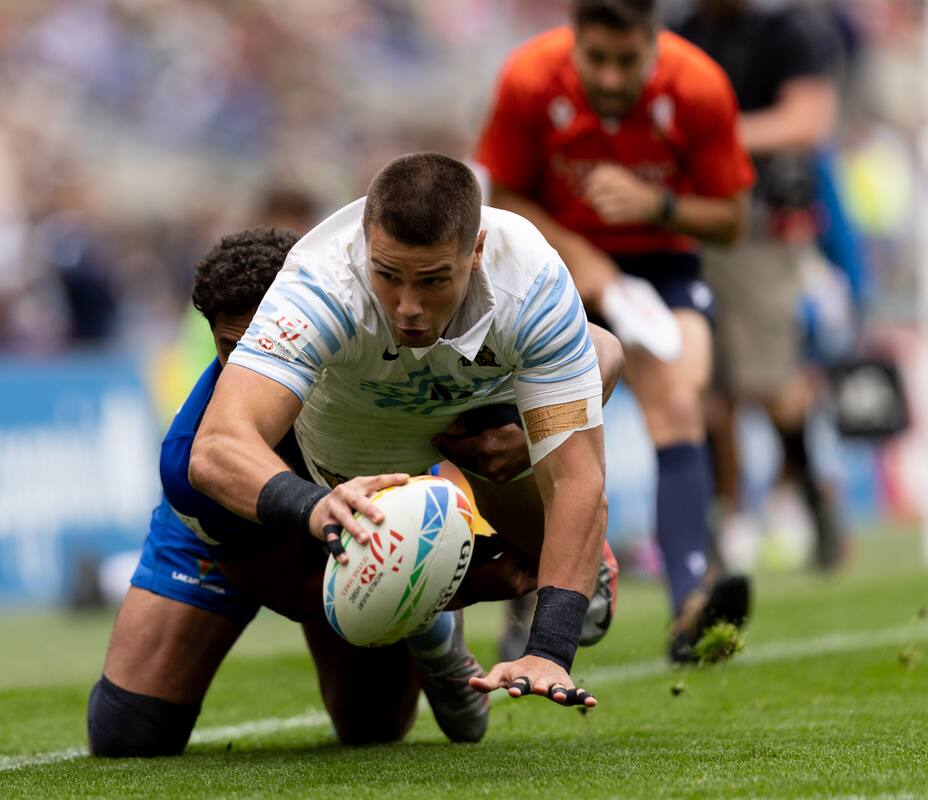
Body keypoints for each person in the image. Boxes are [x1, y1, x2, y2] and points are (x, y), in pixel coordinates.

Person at [89, 223, 626, 757]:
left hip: (365, 522)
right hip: (238, 540)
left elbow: (600, 349)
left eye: (270, 340)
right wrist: (457, 586)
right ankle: (435, 629)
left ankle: (441, 622)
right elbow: (296, 594)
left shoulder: (380, 337)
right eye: (237, 348)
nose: (262, 359)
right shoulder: (197, 458)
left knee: (372, 726)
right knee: (129, 734)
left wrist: (534, 431)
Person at [188, 152, 615, 716]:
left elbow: (576, 480)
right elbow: (218, 446)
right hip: (354, 469)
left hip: (473, 424)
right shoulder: (319, 281)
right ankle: (437, 628)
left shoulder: (530, 278)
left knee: (605, 355)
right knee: (370, 722)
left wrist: (549, 650)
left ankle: (510, 578)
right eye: (387, 276)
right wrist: (313, 506)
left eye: (434, 280)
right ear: (365, 244)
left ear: (477, 252)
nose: (409, 308)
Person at [472, 0, 755, 661]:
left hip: (660, 267)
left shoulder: (699, 86)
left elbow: (733, 220)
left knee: (681, 398)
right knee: (525, 431)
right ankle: (526, 595)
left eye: (626, 61)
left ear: (654, 41)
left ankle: (689, 602)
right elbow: (502, 196)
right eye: (594, 58)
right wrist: (585, 258)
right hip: (551, 265)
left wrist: (655, 204)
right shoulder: (528, 78)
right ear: (574, 39)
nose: (607, 77)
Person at [674, 0, 847, 571]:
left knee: (773, 385)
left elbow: (808, 120)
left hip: (762, 228)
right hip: (693, 223)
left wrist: (715, 134)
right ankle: (723, 524)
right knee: (705, 391)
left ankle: (815, 499)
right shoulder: (686, 31)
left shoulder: (790, 27)